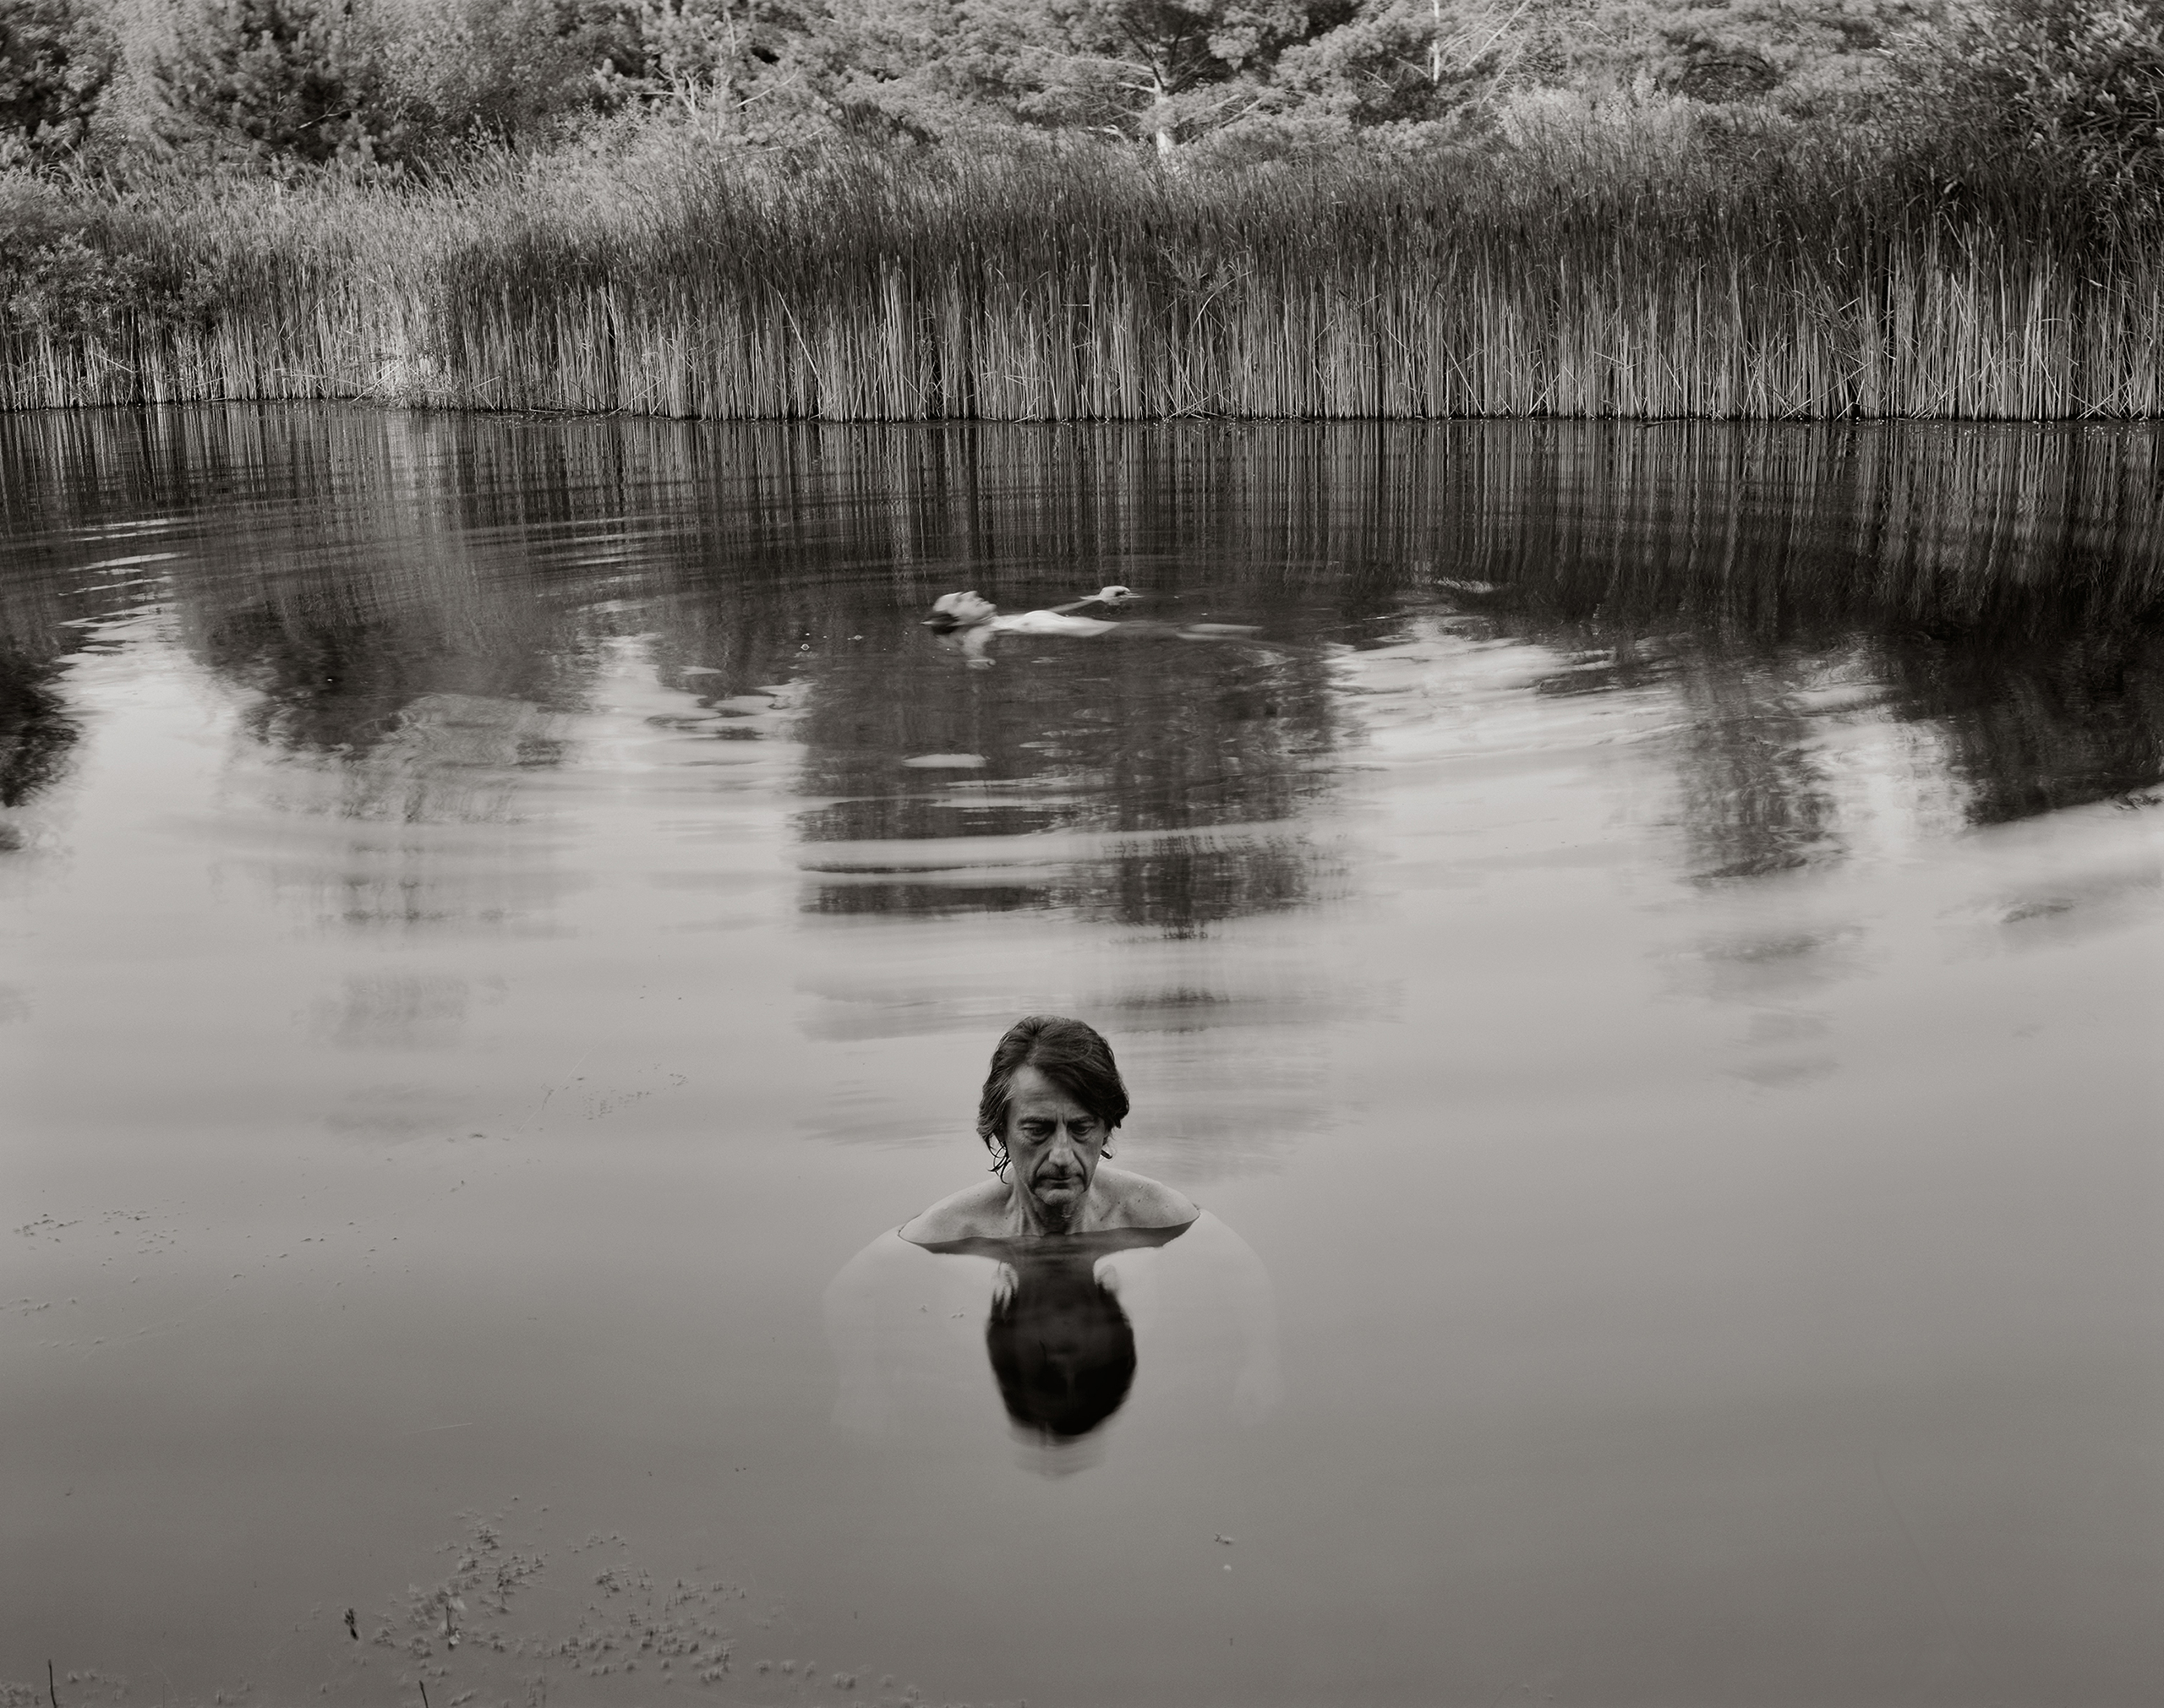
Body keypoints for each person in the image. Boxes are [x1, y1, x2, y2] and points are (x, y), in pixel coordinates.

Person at [824, 1017, 1281, 1451]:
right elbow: (851, 1287)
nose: (1062, 1155)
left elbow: (1239, 1268)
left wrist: (1261, 1363)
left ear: (1106, 1128)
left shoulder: (1154, 1211)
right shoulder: (956, 1226)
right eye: (1038, 1130)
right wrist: (859, 1383)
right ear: (1001, 1131)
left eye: (1080, 1128)